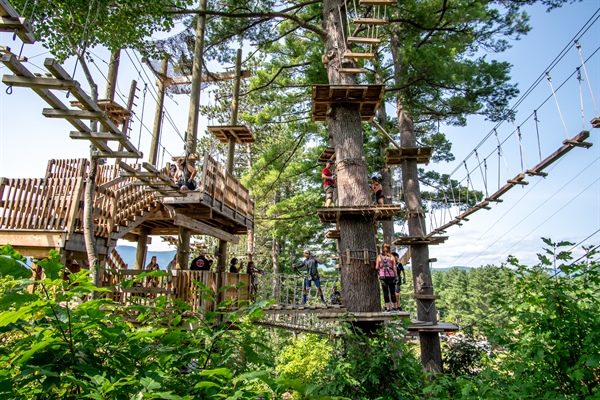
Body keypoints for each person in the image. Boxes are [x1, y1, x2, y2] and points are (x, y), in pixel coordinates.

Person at [376, 243, 398, 312]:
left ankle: (387, 308)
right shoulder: (392, 257)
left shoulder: (379, 257)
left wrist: (380, 268)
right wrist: (396, 275)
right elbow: (394, 267)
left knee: (385, 292)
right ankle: (395, 307)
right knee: (392, 291)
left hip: (383, 276)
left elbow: (377, 267)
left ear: (382, 248)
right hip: (391, 276)